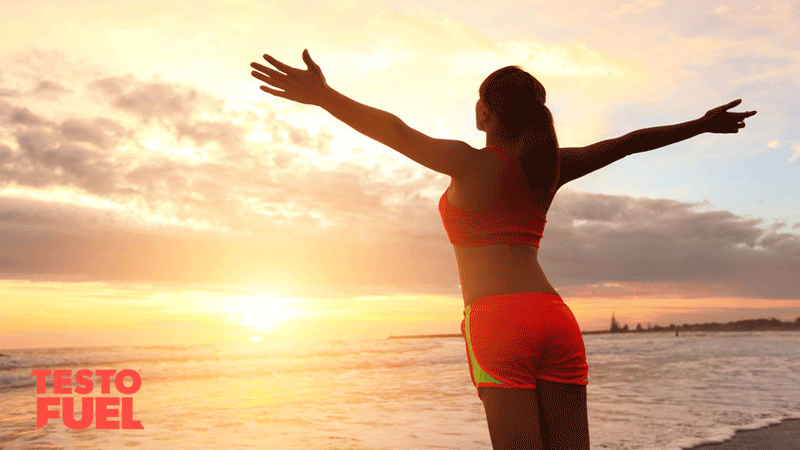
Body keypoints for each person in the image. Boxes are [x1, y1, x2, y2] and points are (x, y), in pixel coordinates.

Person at [250, 49, 756, 450]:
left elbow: (394, 131)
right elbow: (629, 141)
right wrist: (700, 124)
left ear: (488, 113)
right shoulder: (550, 166)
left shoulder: (468, 163)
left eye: (478, 101)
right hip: (555, 318)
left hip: (497, 322)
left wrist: (326, 96)